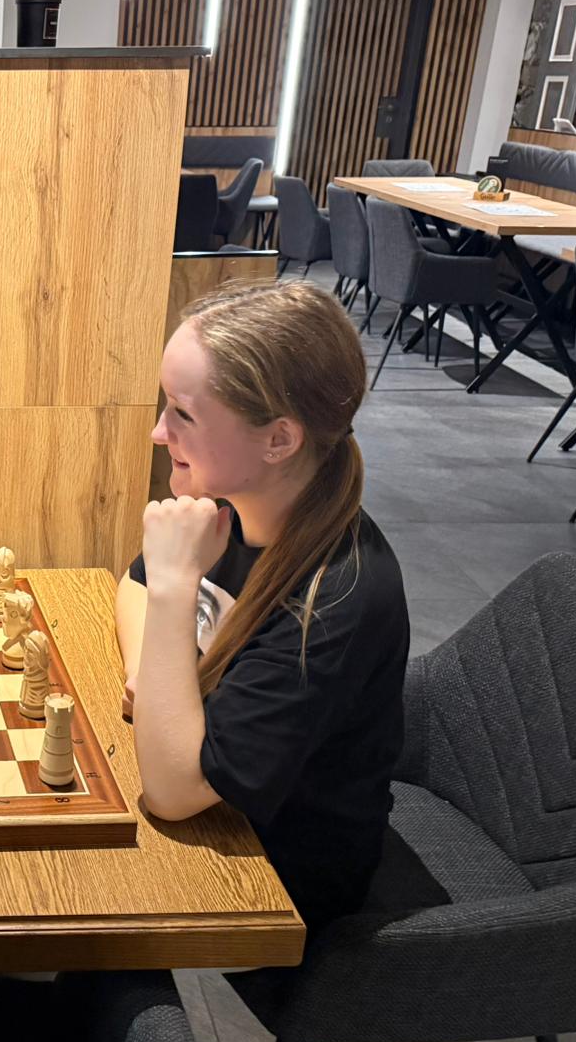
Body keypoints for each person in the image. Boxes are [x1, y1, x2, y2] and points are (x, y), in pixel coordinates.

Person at [114, 281, 409, 926]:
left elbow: (172, 793)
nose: (159, 433)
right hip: (218, 818)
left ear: (279, 440)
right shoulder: (240, 505)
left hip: (276, 875)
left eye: (183, 414)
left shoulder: (333, 602)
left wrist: (175, 589)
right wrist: (156, 679)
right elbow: (134, 585)